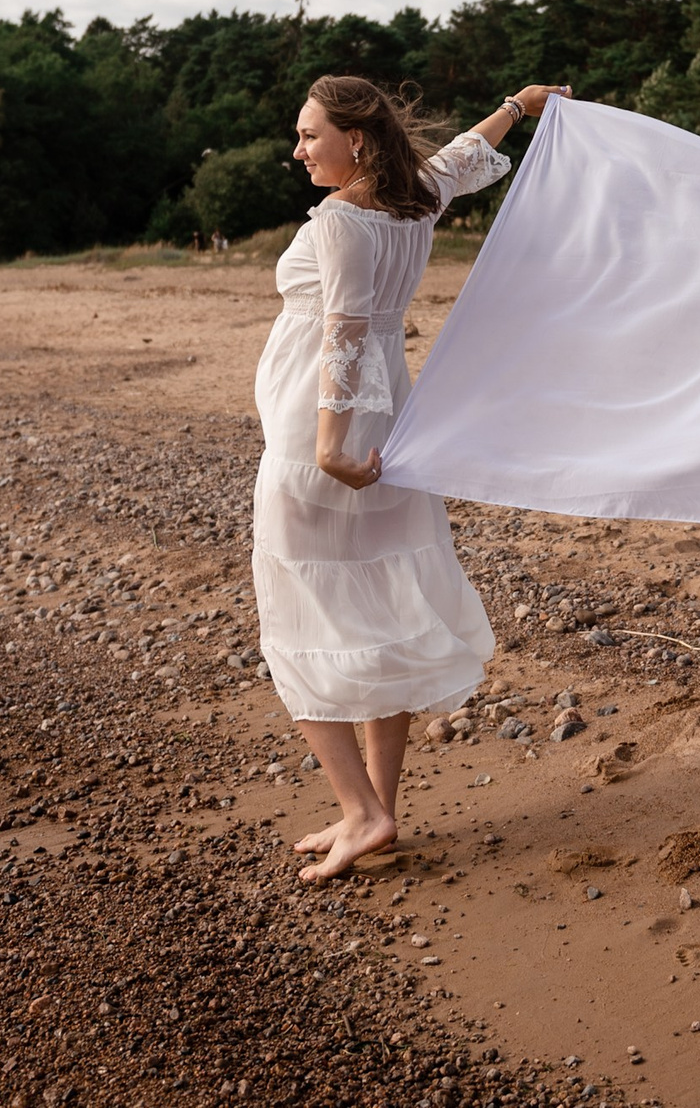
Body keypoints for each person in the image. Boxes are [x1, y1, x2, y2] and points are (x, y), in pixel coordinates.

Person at [253, 74, 566, 881]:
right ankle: (377, 807)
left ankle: (362, 812)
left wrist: (327, 448)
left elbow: (345, 332)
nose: (298, 150)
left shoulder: (343, 219)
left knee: (297, 612)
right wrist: (518, 108)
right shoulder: (415, 197)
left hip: (325, 435)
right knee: (381, 601)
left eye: (309, 134)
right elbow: (465, 157)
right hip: (392, 426)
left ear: (355, 138)